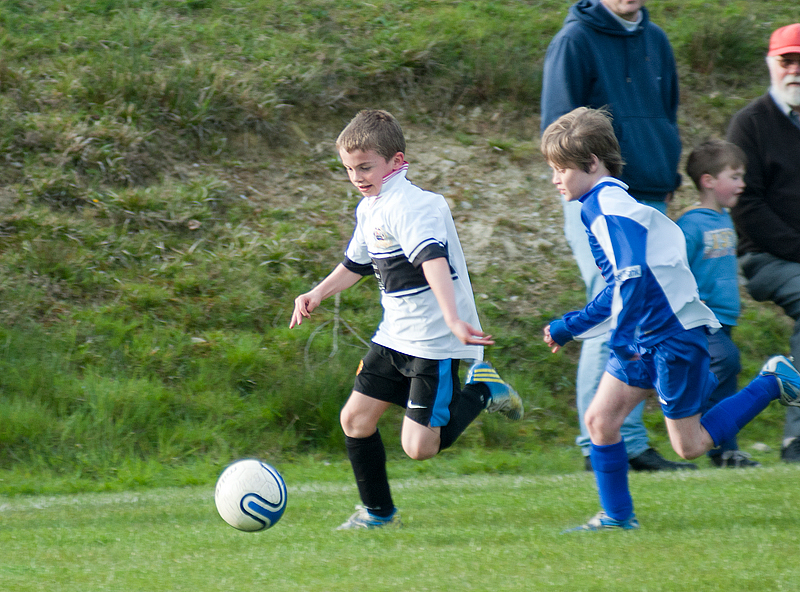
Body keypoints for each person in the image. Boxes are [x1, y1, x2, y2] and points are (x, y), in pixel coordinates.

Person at [541, 107, 800, 531]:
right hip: (644, 333)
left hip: (671, 336)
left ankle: (772, 380)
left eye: (560, 169)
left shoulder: (608, 207)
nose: (555, 179)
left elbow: (630, 276)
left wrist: (618, 337)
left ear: (591, 164)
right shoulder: (602, 203)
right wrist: (571, 325)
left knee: (690, 445)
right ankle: (617, 518)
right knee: (599, 421)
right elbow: (619, 283)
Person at [290, 109, 523, 530]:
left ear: (396, 162)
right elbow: (356, 264)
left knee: (419, 447)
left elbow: (432, 260)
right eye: (349, 169)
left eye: (365, 166)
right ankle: (379, 514)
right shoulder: (372, 207)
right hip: (395, 336)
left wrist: (453, 319)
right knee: (355, 420)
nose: (357, 176)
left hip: (434, 341)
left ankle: (483, 392)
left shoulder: (414, 206)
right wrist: (316, 293)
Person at [540, 0, 692, 471]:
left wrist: (662, 169)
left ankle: (625, 439)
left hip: (650, 197)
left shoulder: (657, 40)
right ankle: (605, 444)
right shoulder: (574, 41)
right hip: (599, 200)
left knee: (647, 310)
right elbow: (560, 133)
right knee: (613, 299)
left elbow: (665, 116)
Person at [727, 23, 800, 463]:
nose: (795, 71)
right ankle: (797, 439)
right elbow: (745, 204)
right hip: (765, 258)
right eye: (786, 61)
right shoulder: (750, 124)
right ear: (770, 65)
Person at [677, 140, 760, 468]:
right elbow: (675, 271)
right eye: (735, 177)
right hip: (700, 318)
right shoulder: (690, 225)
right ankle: (691, 420)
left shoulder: (725, 219)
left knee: (726, 378)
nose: (742, 184)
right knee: (726, 362)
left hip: (724, 317)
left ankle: (725, 450)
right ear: (709, 181)